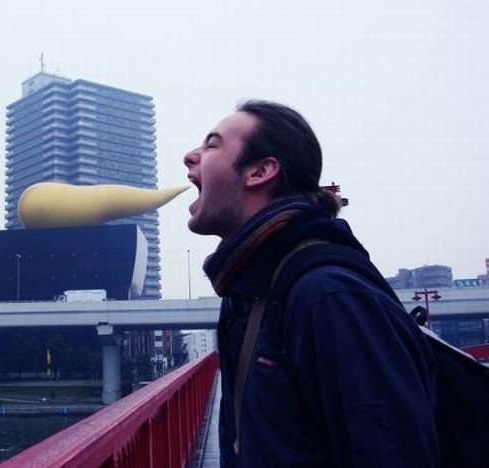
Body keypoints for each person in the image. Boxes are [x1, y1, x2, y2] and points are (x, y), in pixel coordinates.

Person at [183, 100, 439, 467]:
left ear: (261, 171)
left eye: (211, 145)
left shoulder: (328, 294)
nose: (190, 156)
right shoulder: (251, 290)